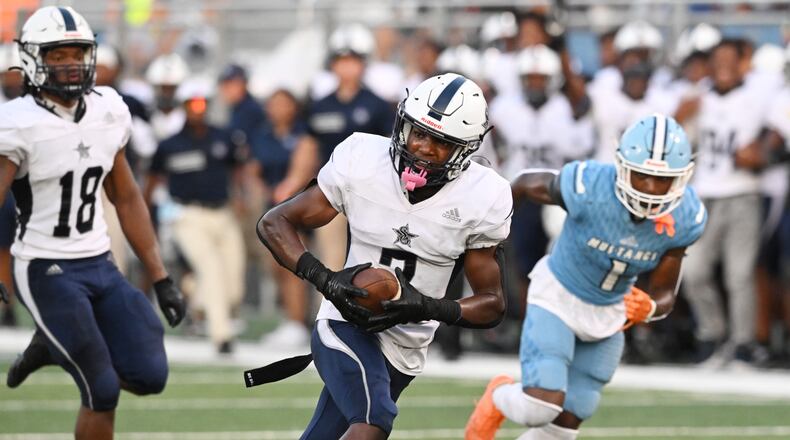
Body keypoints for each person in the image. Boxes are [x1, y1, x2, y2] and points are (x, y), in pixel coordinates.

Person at [257, 73, 512, 439]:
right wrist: (326, 280)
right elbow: (275, 222)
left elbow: (492, 304)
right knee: (371, 424)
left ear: (466, 149)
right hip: (344, 321)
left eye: (441, 142)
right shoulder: (363, 158)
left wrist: (425, 307)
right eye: (418, 132)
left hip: (406, 346)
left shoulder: (484, 195)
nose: (423, 147)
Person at [0, 6, 185, 440]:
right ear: (32, 59)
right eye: (57, 55)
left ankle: (52, 346)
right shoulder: (17, 122)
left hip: (99, 261)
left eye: (78, 53)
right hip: (44, 266)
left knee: (148, 374)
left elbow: (126, 197)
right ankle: (62, 344)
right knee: (101, 387)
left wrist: (160, 277)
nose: (70, 64)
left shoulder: (109, 109)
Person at [465, 114, 707, 440]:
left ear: (680, 179)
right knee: (540, 405)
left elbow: (665, 294)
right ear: (623, 168)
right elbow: (523, 183)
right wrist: (488, 237)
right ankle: (498, 396)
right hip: (559, 295)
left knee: (567, 421)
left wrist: (649, 308)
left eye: (661, 180)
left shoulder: (686, 216)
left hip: (610, 312)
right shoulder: (591, 185)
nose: (650, 189)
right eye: (642, 176)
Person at [144, 79, 246, 354]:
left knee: (234, 286)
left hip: (223, 213)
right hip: (187, 215)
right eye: (192, 104)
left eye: (202, 104)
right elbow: (151, 181)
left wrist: (240, 196)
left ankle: (194, 295)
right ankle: (222, 337)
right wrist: (147, 217)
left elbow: (238, 169)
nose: (197, 109)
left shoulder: (224, 137)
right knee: (211, 269)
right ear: (184, 106)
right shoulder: (169, 145)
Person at [250, 89, 319, 349]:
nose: (278, 109)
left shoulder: (303, 135)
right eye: (274, 104)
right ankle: (290, 319)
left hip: (297, 208)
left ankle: (298, 322)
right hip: (272, 209)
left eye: (284, 104)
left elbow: (304, 170)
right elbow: (253, 169)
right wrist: (261, 191)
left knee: (294, 265)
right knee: (277, 267)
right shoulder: (263, 135)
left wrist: (286, 191)